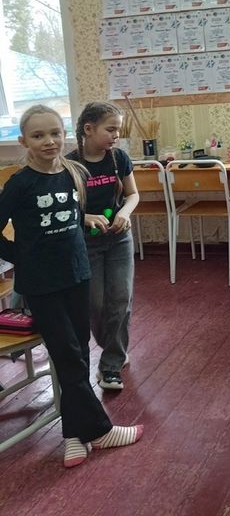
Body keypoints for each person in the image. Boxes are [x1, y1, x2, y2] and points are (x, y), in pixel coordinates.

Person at [0, 105, 143, 468]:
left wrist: (87, 219)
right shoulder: (19, 183)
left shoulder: (73, 173)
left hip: (77, 275)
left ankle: (73, 436)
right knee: (66, 355)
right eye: (38, 136)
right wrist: (21, 257)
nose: (49, 141)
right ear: (24, 141)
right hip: (42, 285)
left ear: (65, 135)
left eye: (54, 133)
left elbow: (70, 216)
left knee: (77, 355)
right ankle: (100, 431)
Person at [67, 102, 139, 391]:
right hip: (86, 243)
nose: (116, 135)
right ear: (89, 129)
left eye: (118, 130)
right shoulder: (70, 165)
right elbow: (64, 208)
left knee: (121, 299)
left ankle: (110, 366)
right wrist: (85, 218)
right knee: (95, 304)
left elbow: (133, 195)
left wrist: (124, 213)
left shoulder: (118, 158)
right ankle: (113, 347)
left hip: (119, 239)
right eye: (111, 129)